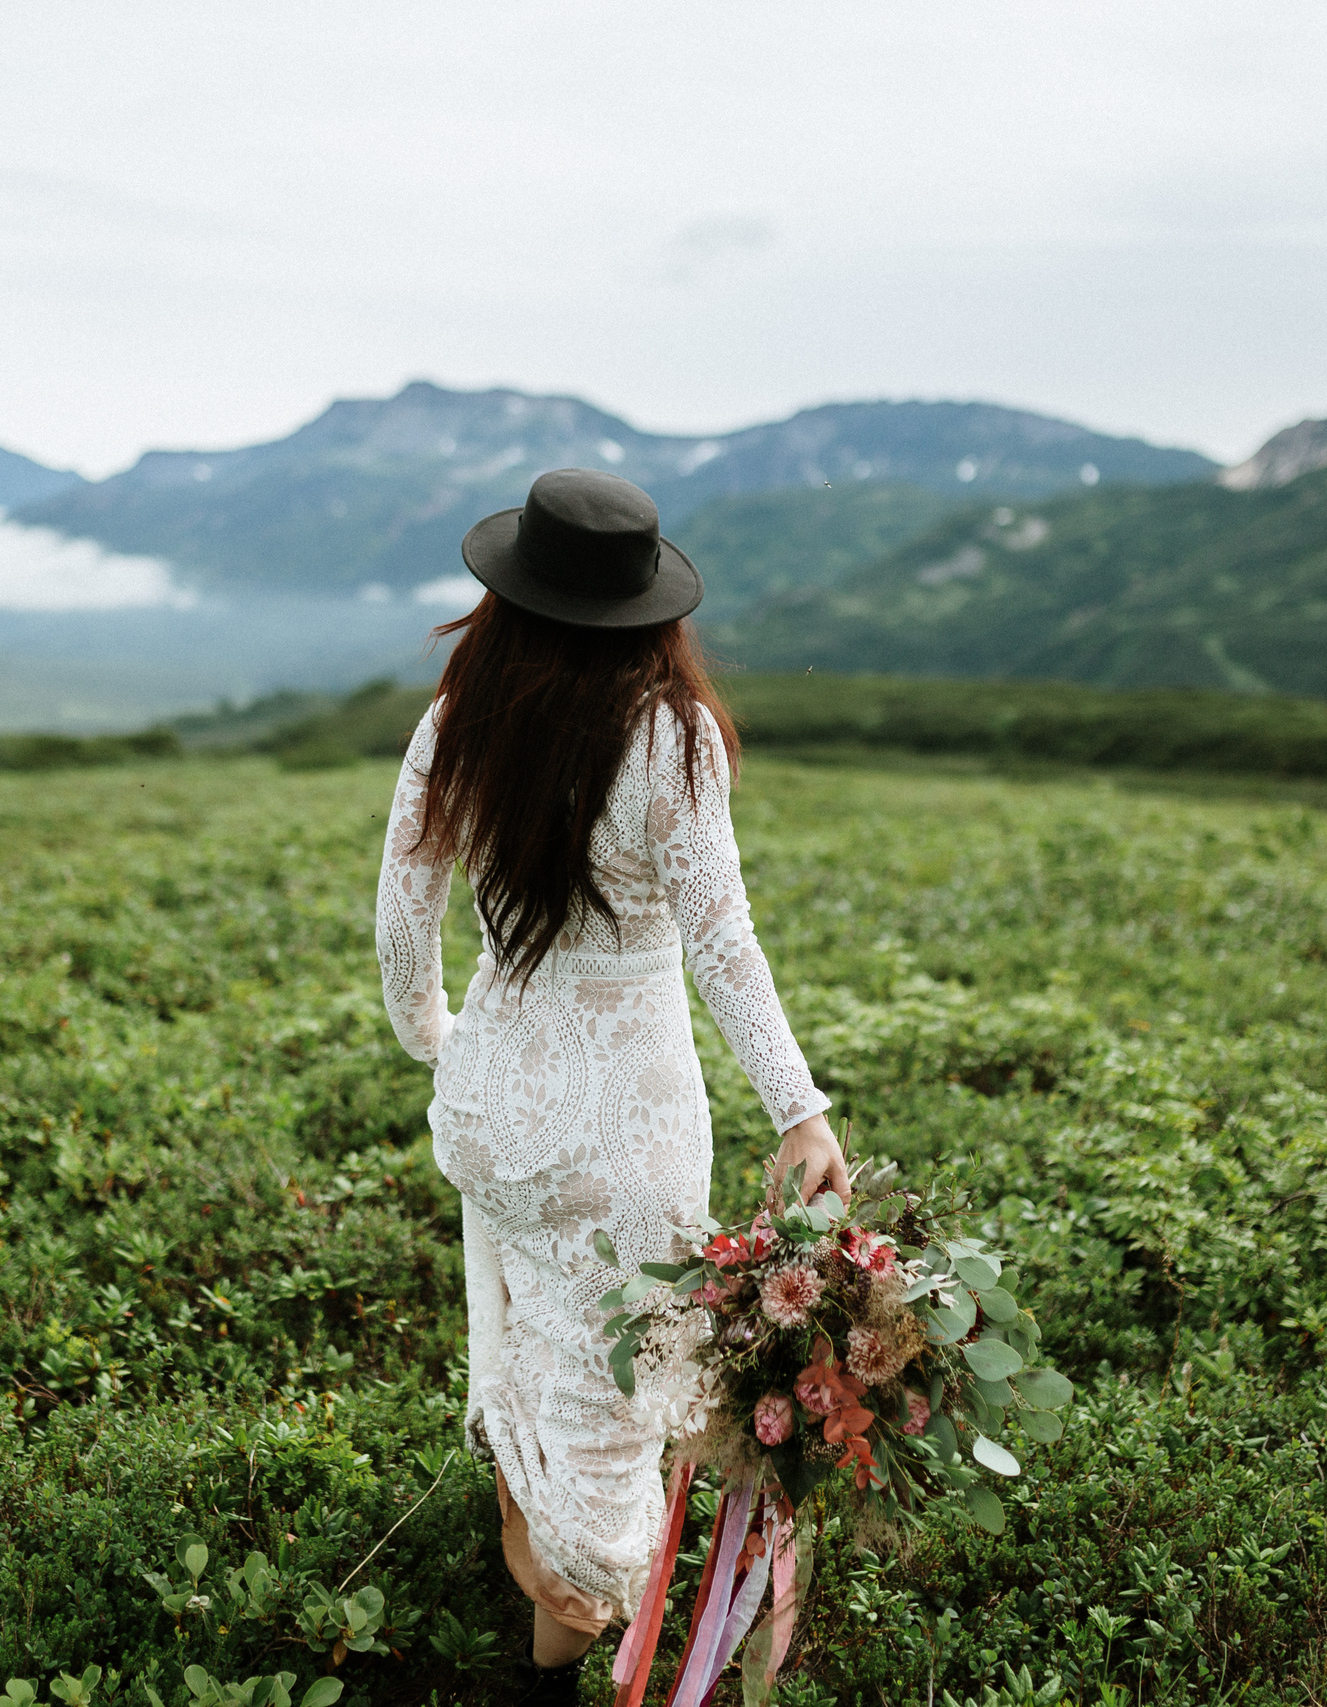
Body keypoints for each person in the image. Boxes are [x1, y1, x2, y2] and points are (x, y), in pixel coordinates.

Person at [375, 467, 849, 1702]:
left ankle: (535, 1541)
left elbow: (402, 925)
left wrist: (442, 1044)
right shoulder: (671, 738)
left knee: (534, 1342)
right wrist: (798, 1108)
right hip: (626, 1132)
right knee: (609, 1414)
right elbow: (722, 942)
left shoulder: (456, 719)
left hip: (493, 1108)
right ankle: (557, 1617)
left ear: (509, 594)